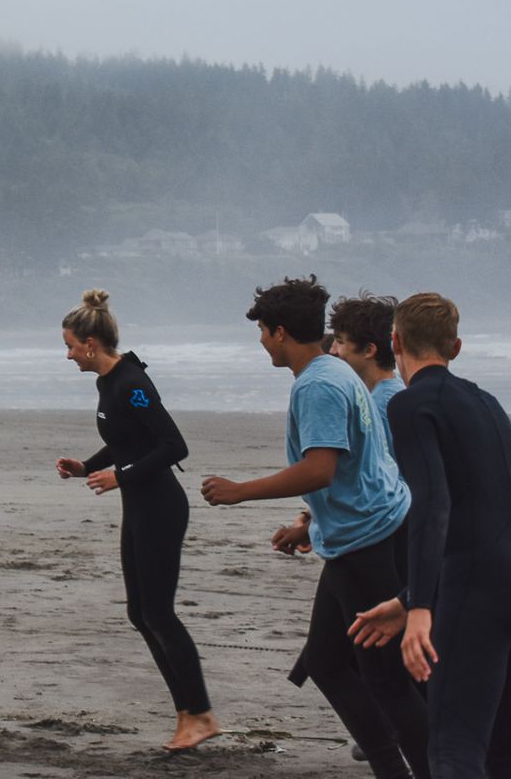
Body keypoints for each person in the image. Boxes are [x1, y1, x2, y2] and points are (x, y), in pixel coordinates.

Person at [200, 277, 429, 779]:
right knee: (326, 662)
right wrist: (310, 523)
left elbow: (320, 468)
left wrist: (240, 491)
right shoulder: (333, 369)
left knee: (388, 679)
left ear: (280, 333)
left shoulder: (320, 383)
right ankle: (393, 768)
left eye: (262, 332)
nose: (261, 342)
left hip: (365, 541)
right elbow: (357, 464)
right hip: (358, 532)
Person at [349, 293, 511, 777]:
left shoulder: (410, 405)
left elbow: (434, 507)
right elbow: (488, 507)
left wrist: (423, 608)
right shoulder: (484, 402)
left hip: (483, 586)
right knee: (504, 747)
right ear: (457, 346)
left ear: (396, 341)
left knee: (453, 751)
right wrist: (408, 599)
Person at [53, 290, 219, 752]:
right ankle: (188, 713)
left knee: (159, 613)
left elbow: (172, 445)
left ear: (90, 342)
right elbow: (128, 439)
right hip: (141, 504)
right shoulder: (108, 383)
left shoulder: (132, 382)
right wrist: (88, 467)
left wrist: (119, 477)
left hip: (161, 505)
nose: (67, 355)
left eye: (69, 346)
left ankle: (200, 713)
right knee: (140, 613)